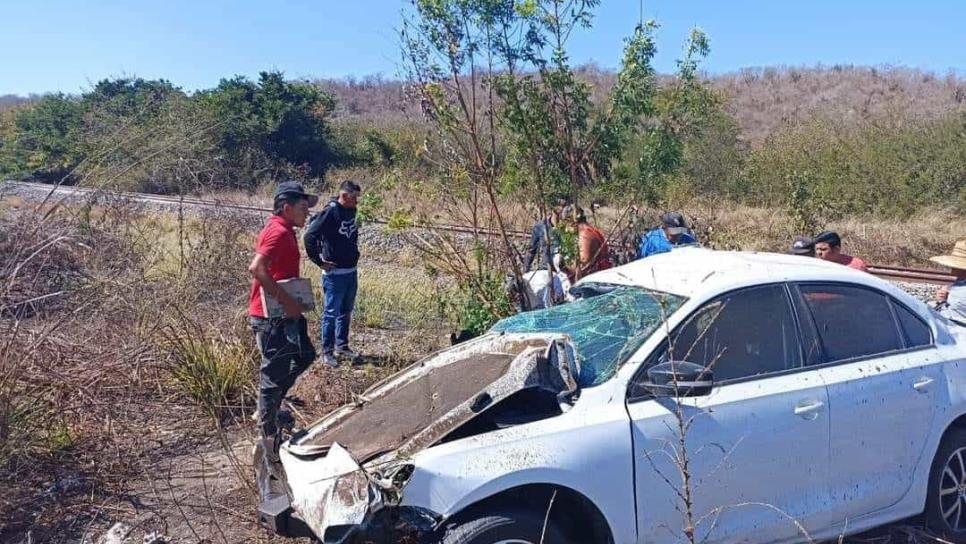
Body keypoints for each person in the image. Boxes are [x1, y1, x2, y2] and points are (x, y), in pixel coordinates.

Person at [248, 181, 319, 455]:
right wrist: (286, 300)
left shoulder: (286, 230)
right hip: (272, 316)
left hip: (286, 312)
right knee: (272, 374)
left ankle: (270, 404)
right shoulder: (277, 232)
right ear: (287, 207)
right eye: (303, 207)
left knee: (305, 354)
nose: (307, 213)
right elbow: (257, 268)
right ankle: (267, 435)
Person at [304, 180, 362, 367]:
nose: (357, 202)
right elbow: (309, 236)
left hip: (350, 271)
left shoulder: (352, 211)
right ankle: (327, 352)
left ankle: (342, 346)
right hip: (334, 274)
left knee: (346, 311)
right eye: (354, 198)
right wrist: (319, 261)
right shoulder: (330, 212)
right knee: (331, 313)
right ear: (344, 196)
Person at [562, 205, 611, 279]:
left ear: (570, 221)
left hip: (593, 282)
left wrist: (563, 260)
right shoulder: (589, 230)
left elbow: (583, 265)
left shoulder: (584, 235)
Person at [930, 239, 966, 325]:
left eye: (954, 267)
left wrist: (942, 301)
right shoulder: (960, 282)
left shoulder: (961, 294)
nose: (952, 271)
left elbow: (953, 314)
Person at [525, 200, 566, 273]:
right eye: (558, 204)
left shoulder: (568, 228)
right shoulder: (541, 226)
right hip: (546, 269)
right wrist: (525, 271)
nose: (561, 207)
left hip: (564, 270)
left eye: (563, 205)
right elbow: (531, 250)